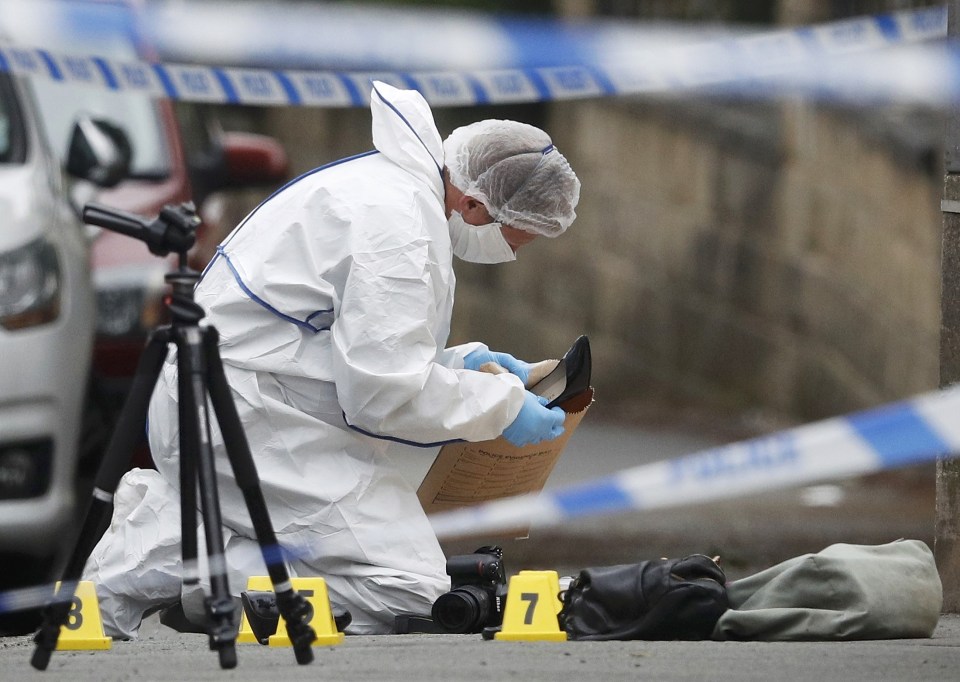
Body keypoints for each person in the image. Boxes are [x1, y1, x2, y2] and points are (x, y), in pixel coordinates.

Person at [83, 81, 582, 637]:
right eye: (519, 238)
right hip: (247, 415)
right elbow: (381, 395)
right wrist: (501, 406)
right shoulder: (398, 229)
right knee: (405, 585)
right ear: (474, 203)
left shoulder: (394, 195)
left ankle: (172, 535)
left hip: (250, 400)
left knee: (396, 572)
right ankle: (177, 559)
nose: (513, 253)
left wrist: (465, 365)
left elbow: (346, 347)